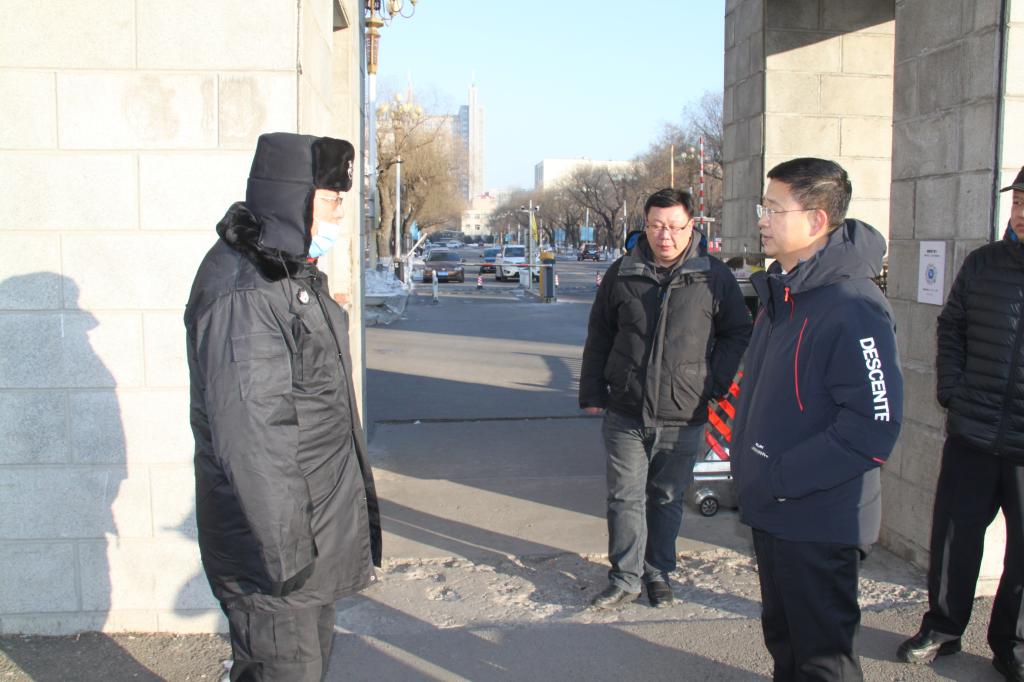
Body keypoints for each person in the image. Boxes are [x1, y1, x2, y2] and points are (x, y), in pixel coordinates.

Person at [184, 132, 382, 681]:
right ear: (292, 199)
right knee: (284, 668)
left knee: (304, 664)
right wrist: (289, 556)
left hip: (308, 540)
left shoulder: (287, 273)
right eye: (331, 200)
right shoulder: (247, 292)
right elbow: (255, 440)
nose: (339, 214)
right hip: (277, 556)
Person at [731, 157, 903, 681]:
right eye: (763, 207)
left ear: (816, 220)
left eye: (773, 208)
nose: (762, 219)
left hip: (817, 517)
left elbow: (873, 428)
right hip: (775, 509)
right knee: (786, 645)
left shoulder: (853, 306)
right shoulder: (785, 292)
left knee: (823, 659)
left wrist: (780, 477)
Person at [579, 188, 752, 609]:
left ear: (692, 226)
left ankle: (657, 572)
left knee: (667, 497)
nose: (665, 235)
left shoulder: (713, 276)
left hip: (684, 411)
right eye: (657, 225)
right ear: (645, 225)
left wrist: (713, 382)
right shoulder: (622, 273)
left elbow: (737, 332)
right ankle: (625, 578)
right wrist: (592, 390)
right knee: (624, 497)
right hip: (626, 410)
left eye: (675, 226)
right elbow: (600, 334)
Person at [896, 166, 1024, 682]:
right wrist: (951, 388)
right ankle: (944, 627)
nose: (1021, 212)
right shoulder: (983, 263)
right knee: (954, 536)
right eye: (1018, 202)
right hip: (973, 430)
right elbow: (952, 326)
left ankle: (1012, 643)